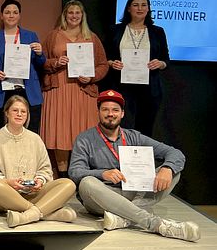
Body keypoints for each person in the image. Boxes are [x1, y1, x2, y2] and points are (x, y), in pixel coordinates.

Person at [69, 89, 200, 242]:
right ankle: (155, 224)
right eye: (105, 109)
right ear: (98, 112)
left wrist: (167, 168)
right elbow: (75, 172)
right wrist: (102, 173)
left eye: (115, 110)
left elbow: (175, 153)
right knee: (87, 183)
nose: (110, 114)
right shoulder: (84, 139)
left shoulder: (134, 136)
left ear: (122, 113)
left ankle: (124, 218)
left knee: (175, 172)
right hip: (101, 197)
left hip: (131, 192)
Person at [0, 95, 77, 228]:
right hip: (5, 196)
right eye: (15, 110)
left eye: (23, 111)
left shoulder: (35, 139)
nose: (19, 114)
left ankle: (28, 215)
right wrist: (9, 182)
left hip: (32, 193)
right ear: (7, 113)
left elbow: (45, 169)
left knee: (68, 184)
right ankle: (45, 213)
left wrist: (40, 180)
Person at [40, 0, 108, 178]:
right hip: (59, 90)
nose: (74, 16)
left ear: (83, 15)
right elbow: (41, 62)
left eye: (78, 12)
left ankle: (81, 175)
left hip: (82, 91)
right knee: (60, 133)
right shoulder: (54, 35)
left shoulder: (91, 37)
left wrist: (92, 76)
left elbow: (102, 65)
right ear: (65, 15)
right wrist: (56, 62)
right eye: (71, 12)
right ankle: (63, 177)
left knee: (82, 134)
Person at [105, 0, 169, 137]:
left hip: (149, 87)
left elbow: (166, 59)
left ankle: (141, 159)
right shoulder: (115, 30)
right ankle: (120, 158)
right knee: (122, 127)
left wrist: (160, 63)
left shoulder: (157, 31)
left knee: (145, 129)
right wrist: (111, 63)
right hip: (122, 86)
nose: (140, 8)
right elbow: (105, 57)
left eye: (143, 5)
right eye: (135, 5)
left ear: (148, 9)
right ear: (128, 8)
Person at [0, 0, 46, 133]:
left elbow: (40, 63)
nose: (11, 15)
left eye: (15, 12)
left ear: (19, 15)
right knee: (5, 133)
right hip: (3, 91)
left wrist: (39, 53)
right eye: (7, 12)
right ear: (2, 16)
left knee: (31, 133)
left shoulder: (30, 35)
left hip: (28, 90)